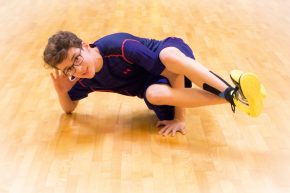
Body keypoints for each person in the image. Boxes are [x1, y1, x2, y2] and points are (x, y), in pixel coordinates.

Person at [43, 31, 266, 136]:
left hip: (174, 58)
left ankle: (229, 92)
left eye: (77, 59)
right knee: (154, 94)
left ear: (86, 46)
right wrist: (62, 92)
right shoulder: (84, 77)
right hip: (157, 85)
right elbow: (69, 109)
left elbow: (174, 74)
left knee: (169, 56)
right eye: (69, 69)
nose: (78, 69)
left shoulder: (120, 47)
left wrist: (180, 118)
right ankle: (240, 97)